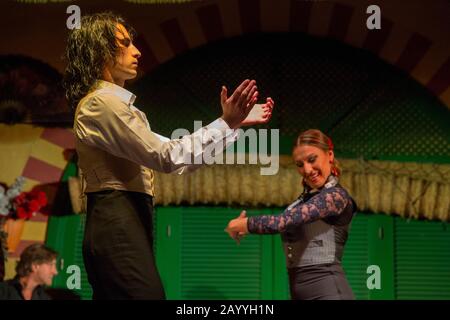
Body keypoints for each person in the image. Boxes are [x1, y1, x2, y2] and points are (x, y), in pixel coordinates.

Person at [63, 12, 274, 300]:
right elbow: (167, 156)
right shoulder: (101, 104)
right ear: (100, 50)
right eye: (125, 44)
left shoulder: (118, 107)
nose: (136, 51)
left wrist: (231, 124)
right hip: (115, 219)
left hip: (128, 219)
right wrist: (225, 122)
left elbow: (180, 162)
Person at [225, 129, 356, 300]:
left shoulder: (336, 196)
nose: (307, 170)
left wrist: (245, 224)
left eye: (312, 159)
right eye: (300, 165)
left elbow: (281, 222)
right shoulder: (302, 201)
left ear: (329, 155)